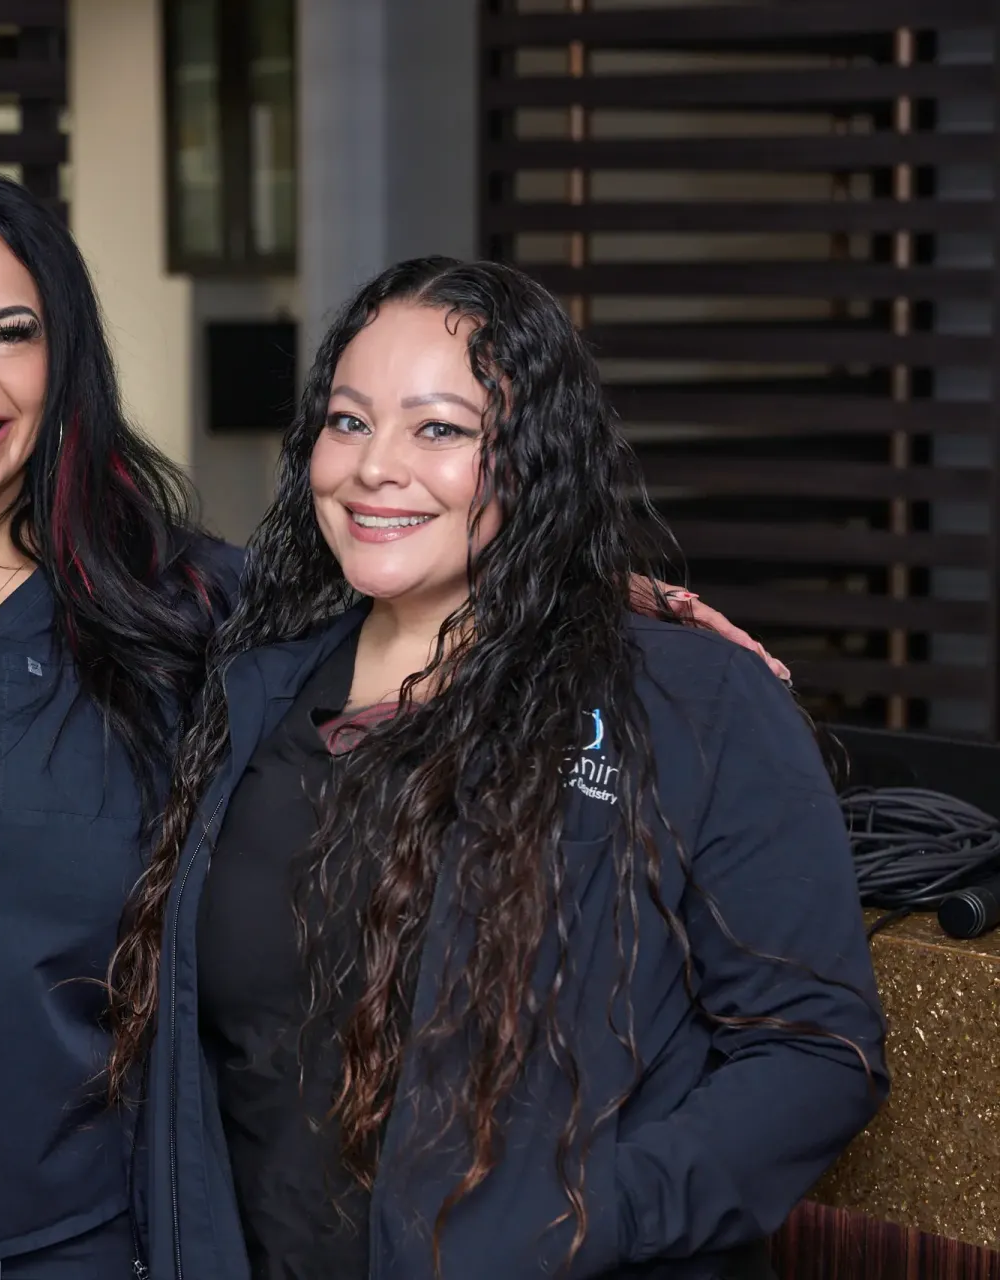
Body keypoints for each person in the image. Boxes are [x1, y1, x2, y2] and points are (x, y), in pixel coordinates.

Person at [0, 171, 784, 1279]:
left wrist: (607, 593)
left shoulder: (185, 609)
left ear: (63, 369)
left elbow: (409, 570)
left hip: (101, 1244)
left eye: (12, 332)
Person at [108, 257, 887, 1280]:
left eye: (440, 429)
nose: (376, 465)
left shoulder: (691, 699)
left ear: (532, 455)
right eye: (349, 421)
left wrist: (581, 1218)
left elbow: (817, 1053)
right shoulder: (252, 687)